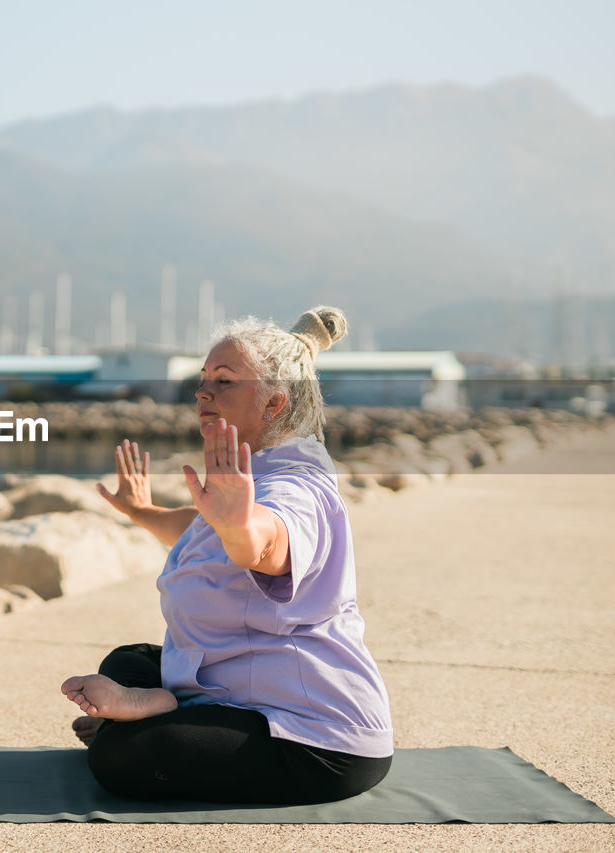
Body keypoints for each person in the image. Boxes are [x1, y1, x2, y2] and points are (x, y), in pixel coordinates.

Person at [60, 306, 393, 805]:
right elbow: (200, 530)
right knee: (127, 660)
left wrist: (240, 524)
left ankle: (147, 717)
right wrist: (144, 510)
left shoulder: (297, 485)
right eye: (203, 380)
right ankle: (154, 705)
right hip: (240, 691)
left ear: (274, 402)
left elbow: (266, 544)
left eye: (225, 380)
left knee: (121, 759)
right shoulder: (254, 470)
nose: (203, 392)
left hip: (315, 739)